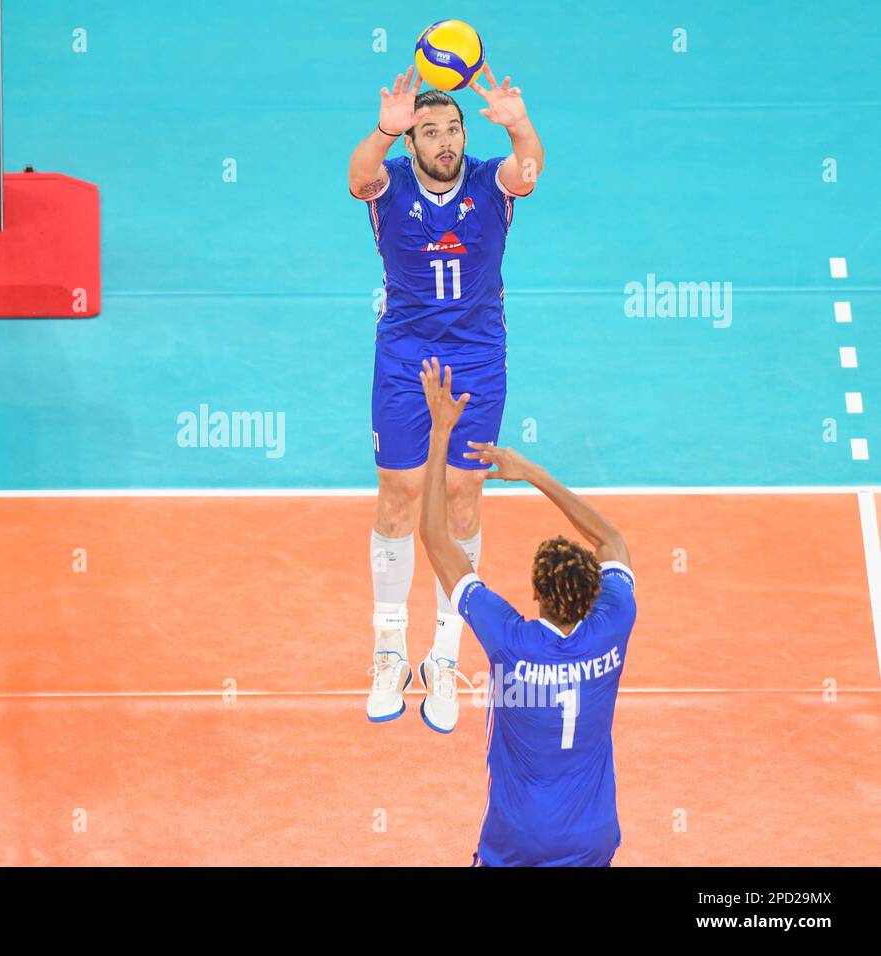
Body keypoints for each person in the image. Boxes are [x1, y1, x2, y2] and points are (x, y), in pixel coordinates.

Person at [349, 63, 545, 731]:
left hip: (477, 359)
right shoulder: (390, 183)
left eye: (452, 129)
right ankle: (388, 649)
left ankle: (443, 653)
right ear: (413, 143)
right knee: (399, 492)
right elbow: (355, 176)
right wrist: (384, 128)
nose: (445, 142)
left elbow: (530, 170)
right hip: (405, 357)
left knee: (462, 494)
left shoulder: (492, 182)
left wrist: (519, 124)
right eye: (429, 132)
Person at [418, 358, 636, 866]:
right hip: (592, 838)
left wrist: (439, 431)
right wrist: (534, 472)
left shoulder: (510, 640)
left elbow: (435, 538)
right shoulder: (613, 624)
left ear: (534, 594)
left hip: (517, 839)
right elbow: (611, 539)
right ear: (593, 595)